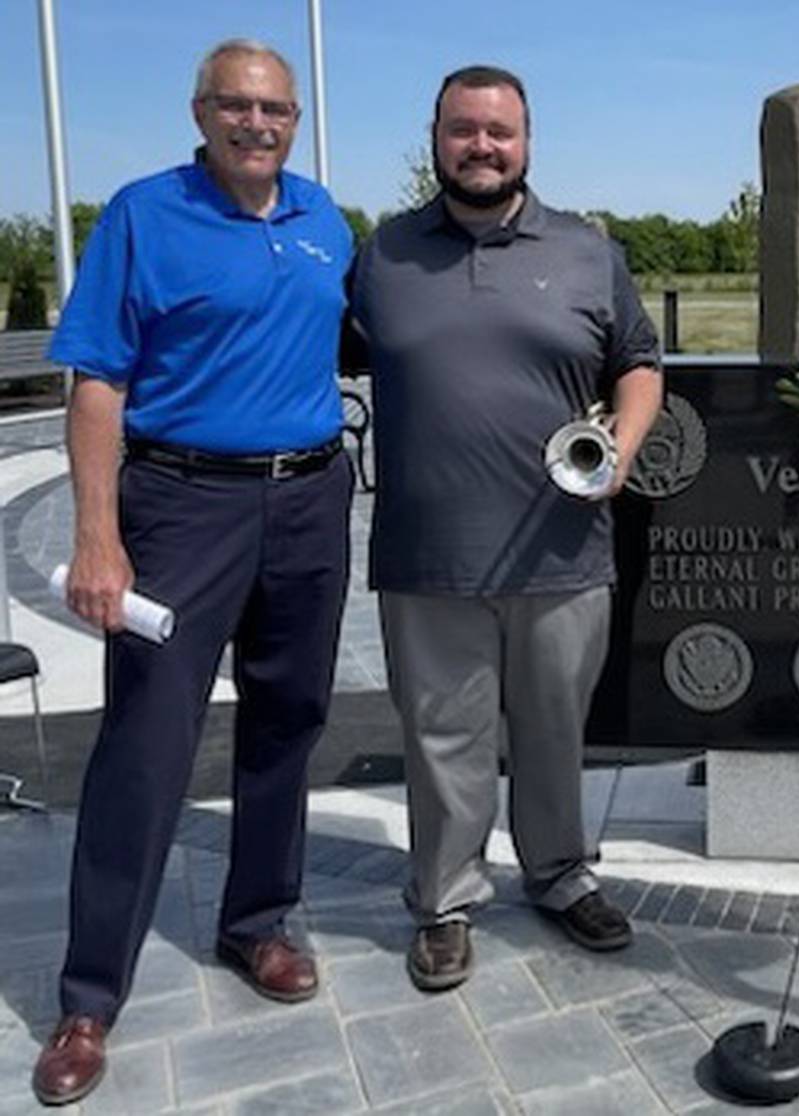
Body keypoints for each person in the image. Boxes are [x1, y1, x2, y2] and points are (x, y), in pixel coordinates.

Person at [31, 39, 354, 1106]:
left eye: (276, 110)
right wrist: (96, 534)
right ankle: (88, 998)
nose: (258, 124)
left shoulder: (323, 220)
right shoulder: (142, 213)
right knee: (145, 740)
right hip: (181, 509)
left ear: (293, 120)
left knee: (288, 719)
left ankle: (256, 923)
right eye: (238, 106)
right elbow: (96, 383)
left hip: (309, 499)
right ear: (202, 111)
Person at [347, 64, 662, 990]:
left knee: (556, 730)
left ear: (527, 141)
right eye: (462, 130)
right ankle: (444, 901)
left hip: (562, 549)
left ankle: (561, 875)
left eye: (499, 131)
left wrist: (627, 448)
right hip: (427, 550)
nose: (481, 146)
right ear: (435, 136)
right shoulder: (382, 255)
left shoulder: (586, 250)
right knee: (443, 738)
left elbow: (639, 365)